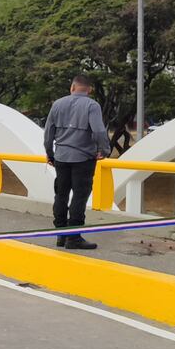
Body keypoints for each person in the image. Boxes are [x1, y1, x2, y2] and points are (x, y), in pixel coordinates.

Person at [42, 74, 110, 249]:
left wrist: (50, 154)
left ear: (72, 87)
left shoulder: (57, 104)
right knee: (79, 196)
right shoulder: (92, 105)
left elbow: (48, 133)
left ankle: (61, 235)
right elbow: (99, 132)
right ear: (90, 90)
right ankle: (74, 237)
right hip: (83, 158)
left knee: (61, 195)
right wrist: (104, 150)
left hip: (61, 157)